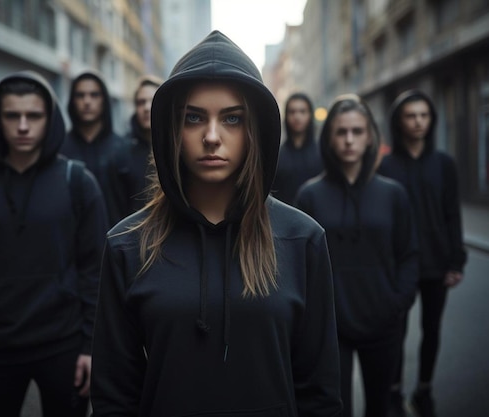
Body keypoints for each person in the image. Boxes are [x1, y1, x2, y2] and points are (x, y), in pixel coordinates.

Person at [90, 30, 342, 417]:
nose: (211, 137)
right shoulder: (127, 244)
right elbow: (114, 394)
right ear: (172, 129)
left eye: (232, 119)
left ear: (254, 129)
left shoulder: (302, 239)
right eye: (193, 118)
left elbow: (320, 392)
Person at [0, 71, 107, 417]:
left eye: (33, 116)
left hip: (63, 347)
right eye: (11, 115)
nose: (22, 126)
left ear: (49, 120)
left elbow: (96, 272)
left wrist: (91, 347)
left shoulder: (78, 183)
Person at [295, 94, 419, 417]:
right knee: (336, 409)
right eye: (341, 132)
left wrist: (396, 302)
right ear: (330, 138)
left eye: (357, 131)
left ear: (369, 137)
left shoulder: (393, 194)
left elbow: (408, 254)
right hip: (331, 328)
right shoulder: (309, 195)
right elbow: (299, 263)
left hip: (383, 322)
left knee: (380, 407)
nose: (349, 140)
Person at [378, 90, 467, 417]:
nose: (418, 122)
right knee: (395, 333)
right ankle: (394, 391)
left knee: (432, 330)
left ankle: (424, 390)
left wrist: (456, 260)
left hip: (436, 262)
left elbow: (452, 214)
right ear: (399, 122)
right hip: (399, 264)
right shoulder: (386, 165)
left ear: (431, 120)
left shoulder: (444, 164)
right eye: (410, 116)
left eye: (423, 115)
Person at [62, 70, 125, 226]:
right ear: (72, 100)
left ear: (104, 100)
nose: (87, 101)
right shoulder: (60, 148)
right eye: (80, 95)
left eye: (94, 95)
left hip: (115, 241)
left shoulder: (123, 147)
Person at [108, 75, 163, 218]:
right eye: (141, 102)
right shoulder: (121, 152)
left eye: (152, 100)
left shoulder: (179, 149)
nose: (146, 107)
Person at [272, 92, 324, 205]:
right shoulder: (277, 155)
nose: (297, 116)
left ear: (310, 115)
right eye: (292, 112)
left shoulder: (323, 153)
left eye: (302, 111)